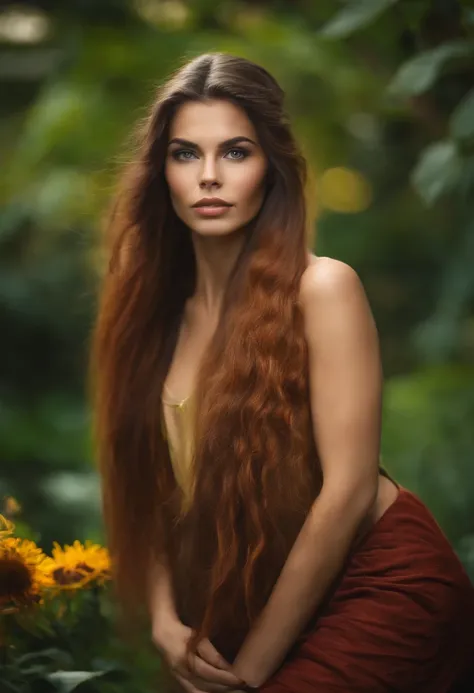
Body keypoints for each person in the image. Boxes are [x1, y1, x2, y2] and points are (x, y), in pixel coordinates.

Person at [90, 52, 474, 693]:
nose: (209, 176)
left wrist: (253, 674)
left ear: (272, 168)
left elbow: (348, 490)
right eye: (186, 154)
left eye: (236, 152)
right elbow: (144, 489)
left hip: (375, 580)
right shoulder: (148, 315)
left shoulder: (322, 288)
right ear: (161, 171)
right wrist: (162, 619)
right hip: (249, 599)